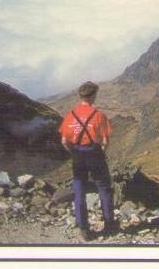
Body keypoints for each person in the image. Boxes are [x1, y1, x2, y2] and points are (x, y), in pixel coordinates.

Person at [59, 81, 117, 241]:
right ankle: (109, 224)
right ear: (92, 96)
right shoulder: (99, 115)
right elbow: (105, 141)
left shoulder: (70, 115)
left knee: (79, 190)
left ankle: (84, 228)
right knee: (104, 188)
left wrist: (74, 153)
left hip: (78, 155)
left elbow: (64, 141)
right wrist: (100, 153)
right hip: (95, 153)